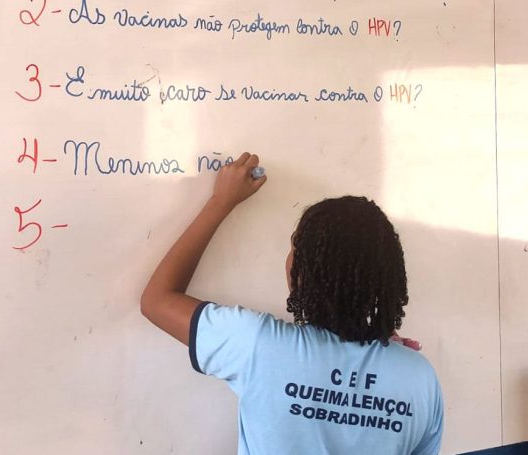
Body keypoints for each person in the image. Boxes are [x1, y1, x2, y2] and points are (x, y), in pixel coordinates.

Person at [141, 152, 443, 455]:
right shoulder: (418, 377)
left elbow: (157, 300)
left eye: (294, 248)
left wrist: (221, 202)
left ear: (305, 273)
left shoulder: (257, 345)